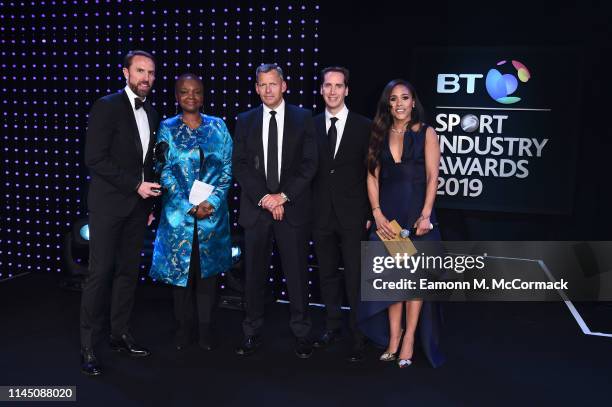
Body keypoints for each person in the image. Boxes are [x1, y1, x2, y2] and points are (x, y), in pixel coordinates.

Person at [81, 50, 160, 376]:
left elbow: (148, 166)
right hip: (109, 206)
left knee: (128, 274)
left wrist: (149, 205)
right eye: (140, 71)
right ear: (125, 73)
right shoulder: (107, 105)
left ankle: (119, 333)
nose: (146, 77)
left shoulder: (152, 113)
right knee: (99, 275)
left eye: (151, 73)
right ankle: (87, 345)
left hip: (138, 209)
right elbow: (94, 158)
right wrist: (134, 187)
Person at [232, 63, 318, 358]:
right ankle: (251, 332)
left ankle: (302, 334)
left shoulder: (304, 118)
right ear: (256, 88)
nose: (268, 90)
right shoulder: (244, 120)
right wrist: (265, 199)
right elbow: (240, 165)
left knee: (296, 275)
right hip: (257, 211)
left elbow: (309, 165)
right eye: (262, 85)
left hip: (292, 210)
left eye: (273, 84)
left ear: (284, 86)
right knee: (253, 276)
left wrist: (282, 197)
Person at [358, 79, 445, 368]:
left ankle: (409, 339)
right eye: (393, 99)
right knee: (392, 281)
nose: (399, 104)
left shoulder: (427, 133)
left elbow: (433, 177)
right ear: (387, 103)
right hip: (390, 218)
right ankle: (394, 338)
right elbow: (372, 176)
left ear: (413, 101)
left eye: (404, 98)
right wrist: (377, 213)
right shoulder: (379, 133)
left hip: (417, 217)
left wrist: (426, 214)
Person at [149, 74, 232, 351]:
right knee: (181, 276)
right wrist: (188, 205)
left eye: (196, 92)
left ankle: (206, 332)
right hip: (179, 217)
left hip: (212, 216)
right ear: (176, 96)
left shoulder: (219, 127)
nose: (191, 97)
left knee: (207, 276)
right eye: (185, 92)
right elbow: (163, 169)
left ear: (203, 95)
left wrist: (213, 203)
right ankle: (183, 330)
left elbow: (227, 170)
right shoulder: (166, 128)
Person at [311, 67, 372, 362]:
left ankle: (359, 334)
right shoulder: (310, 126)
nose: (333, 91)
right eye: (328, 86)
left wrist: (372, 211)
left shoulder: (365, 126)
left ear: (347, 90)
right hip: (320, 214)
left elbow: (373, 173)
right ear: (321, 90)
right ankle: (332, 326)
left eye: (339, 86)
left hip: (354, 214)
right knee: (327, 274)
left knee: (355, 277)